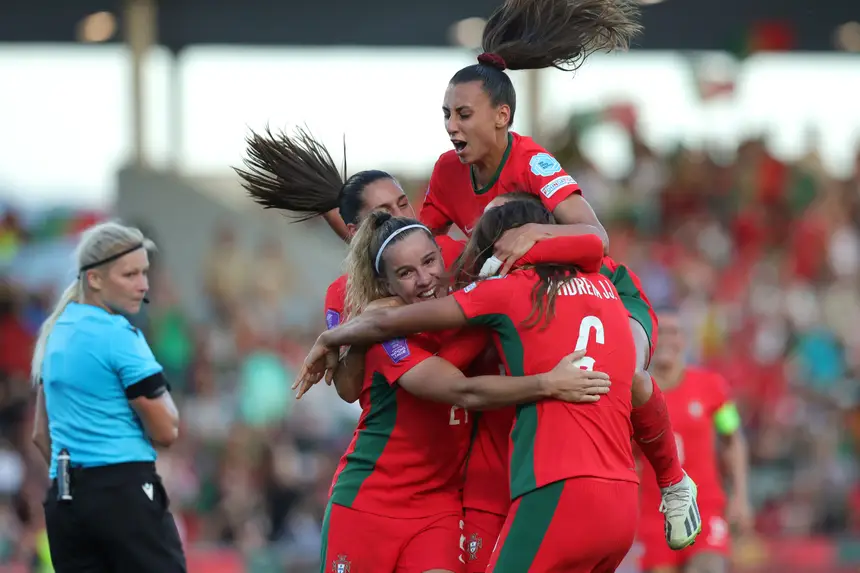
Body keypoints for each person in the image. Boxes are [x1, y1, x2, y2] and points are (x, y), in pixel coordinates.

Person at [420, 0, 696, 553]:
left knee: (625, 375)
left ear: (502, 116)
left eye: (463, 114)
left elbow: (596, 240)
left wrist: (534, 236)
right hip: (535, 304)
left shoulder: (532, 160)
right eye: (445, 114)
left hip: (601, 294)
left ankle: (672, 481)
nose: (451, 126)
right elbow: (421, 247)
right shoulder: (447, 173)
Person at [300, 200, 643, 572]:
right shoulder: (386, 330)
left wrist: (534, 233)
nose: (425, 278)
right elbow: (464, 391)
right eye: (406, 272)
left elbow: (592, 243)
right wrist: (548, 383)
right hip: (372, 500)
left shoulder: (470, 308)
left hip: (440, 505)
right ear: (387, 283)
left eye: (430, 261)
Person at [29, 222, 185, 573]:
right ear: (95, 278)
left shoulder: (55, 333)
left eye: (145, 273)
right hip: (124, 492)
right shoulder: (119, 335)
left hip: (64, 501)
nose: (143, 285)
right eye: (130, 274)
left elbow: (42, 435)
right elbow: (166, 431)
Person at [637, 308, 752, 573]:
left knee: (709, 566)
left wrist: (741, 496)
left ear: (684, 340)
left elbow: (732, 438)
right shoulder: (635, 395)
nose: (667, 339)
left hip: (705, 509)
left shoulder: (713, 387)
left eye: (673, 332)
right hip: (655, 516)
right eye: (660, 332)